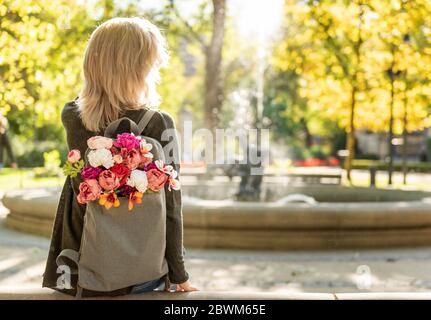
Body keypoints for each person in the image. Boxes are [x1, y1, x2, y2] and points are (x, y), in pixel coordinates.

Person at [42, 17, 197, 296]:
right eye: (150, 63)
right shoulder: (160, 123)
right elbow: (172, 203)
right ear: (136, 69)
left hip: (84, 263)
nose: (155, 70)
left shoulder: (74, 116)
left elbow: (80, 191)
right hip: (145, 266)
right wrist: (179, 272)